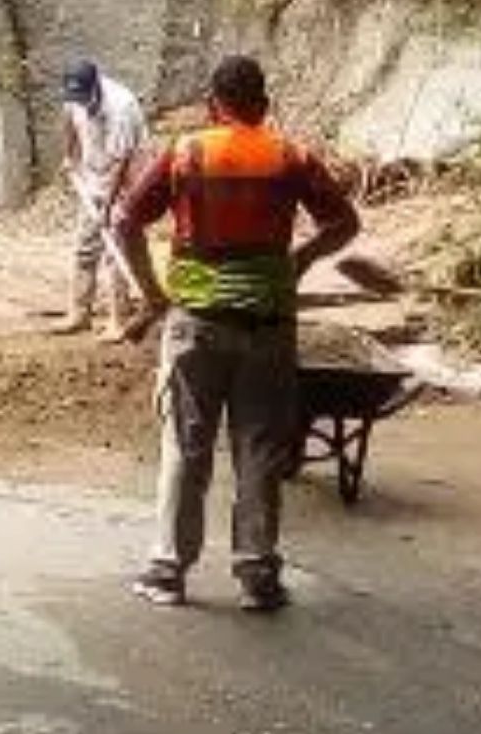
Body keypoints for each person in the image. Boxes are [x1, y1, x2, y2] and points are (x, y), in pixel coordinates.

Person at [115, 55, 360, 611]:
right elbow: (345, 223)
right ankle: (257, 575)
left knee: (186, 445)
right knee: (259, 448)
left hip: (196, 325)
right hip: (268, 329)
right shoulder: (290, 155)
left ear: (211, 105)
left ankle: (168, 572)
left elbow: (127, 221)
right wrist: (300, 259)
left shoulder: (186, 152)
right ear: (264, 105)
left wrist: (152, 292)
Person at [51, 59, 150, 340]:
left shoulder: (121, 106)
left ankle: (118, 320)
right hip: (94, 174)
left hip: (127, 176)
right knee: (85, 245)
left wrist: (107, 206)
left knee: (115, 250)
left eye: (85, 96)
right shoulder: (74, 96)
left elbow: (122, 161)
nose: (79, 101)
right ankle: (78, 313)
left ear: (97, 85)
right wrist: (70, 155)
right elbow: (69, 120)